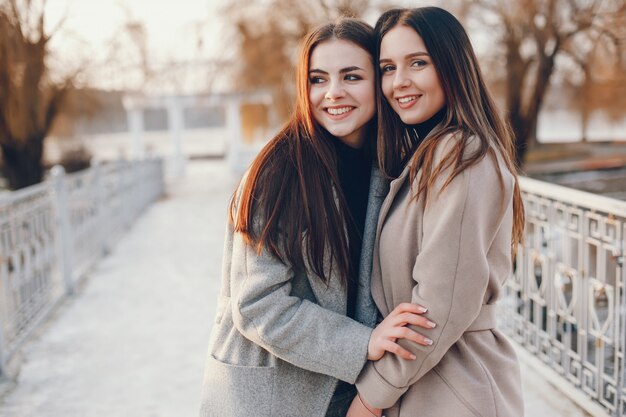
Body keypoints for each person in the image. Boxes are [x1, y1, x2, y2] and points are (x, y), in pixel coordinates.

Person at [199, 18, 436, 417]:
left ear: (379, 84)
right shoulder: (278, 173)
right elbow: (258, 306)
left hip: (350, 391)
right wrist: (362, 342)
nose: (333, 93)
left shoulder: (392, 166)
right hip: (272, 396)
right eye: (318, 79)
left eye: (352, 76)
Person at [347, 7, 525, 417]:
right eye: (388, 68)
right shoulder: (427, 154)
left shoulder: (463, 154)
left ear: (452, 66)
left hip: (455, 386)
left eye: (418, 63)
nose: (399, 82)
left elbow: (439, 305)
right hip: (426, 383)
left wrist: (370, 398)